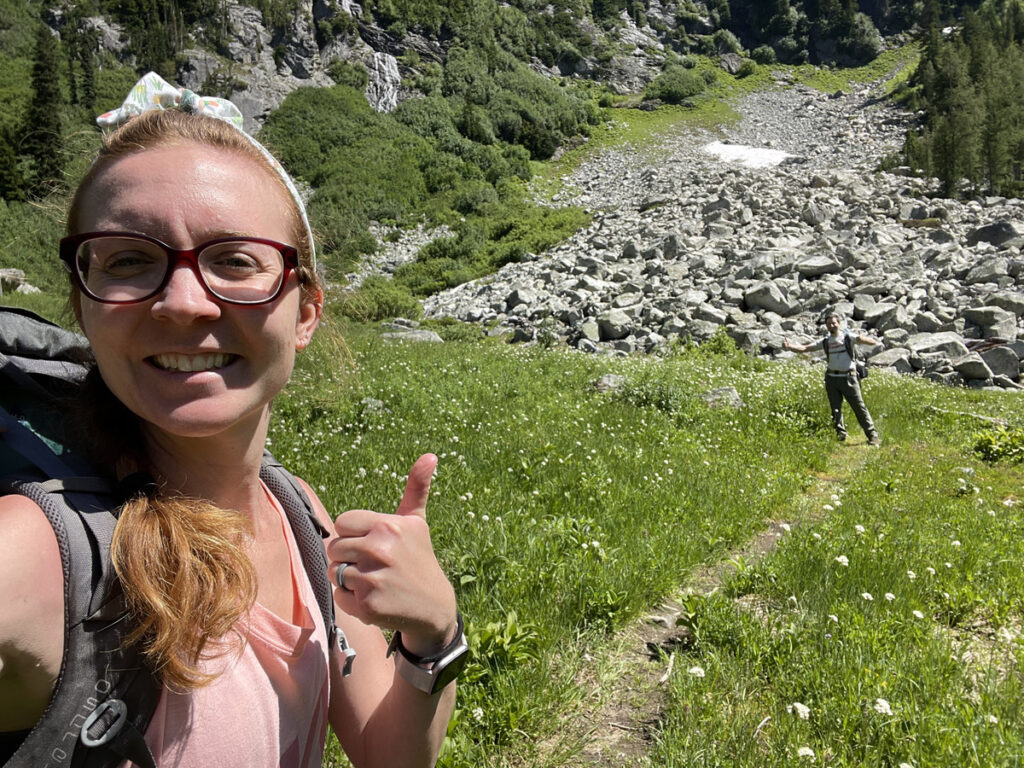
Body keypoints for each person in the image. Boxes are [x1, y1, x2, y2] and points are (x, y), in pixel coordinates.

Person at [0, 74, 462, 767]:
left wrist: (435, 633)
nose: (184, 302)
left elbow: (386, 752)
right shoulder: (41, 556)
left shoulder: (301, 513)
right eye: (129, 260)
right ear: (83, 302)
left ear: (304, 311)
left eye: (234, 261)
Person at [783, 311, 882, 446]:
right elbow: (805, 348)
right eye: (829, 324)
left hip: (849, 378)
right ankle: (840, 435)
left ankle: (872, 435)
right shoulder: (825, 341)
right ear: (827, 326)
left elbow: (867, 341)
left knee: (859, 407)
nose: (832, 325)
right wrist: (789, 347)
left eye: (834, 323)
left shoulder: (848, 337)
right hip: (832, 379)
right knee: (835, 408)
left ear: (839, 324)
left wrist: (865, 339)